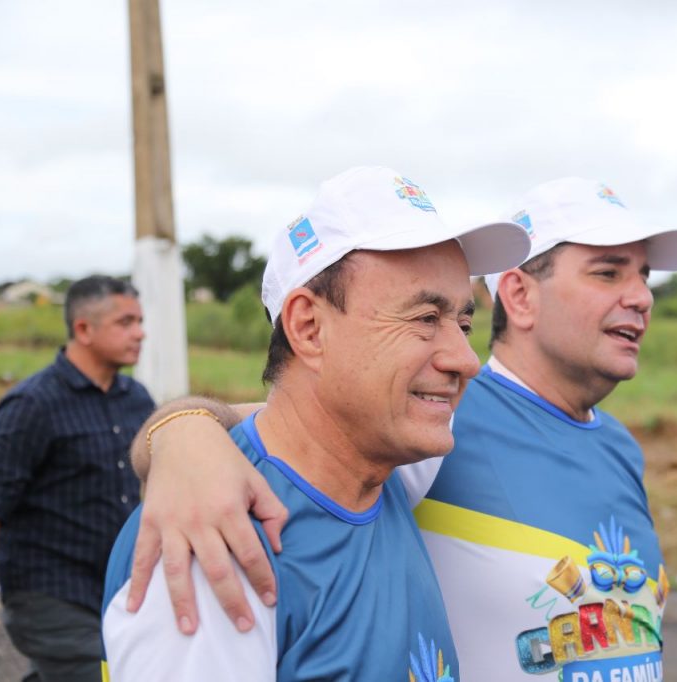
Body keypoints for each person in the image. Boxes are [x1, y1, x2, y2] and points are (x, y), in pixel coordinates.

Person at [126, 176, 677, 680]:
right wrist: (183, 431)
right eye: (608, 272)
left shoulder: (613, 445)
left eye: (462, 322)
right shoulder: (427, 431)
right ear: (520, 295)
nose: (642, 297)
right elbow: (283, 426)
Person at [100, 166, 531, 681]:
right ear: (308, 327)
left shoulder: (386, 469)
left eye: (463, 324)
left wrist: (182, 427)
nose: (466, 360)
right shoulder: (214, 547)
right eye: (424, 319)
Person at [0, 275, 154, 682]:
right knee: (105, 674)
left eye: (139, 320)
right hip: (49, 594)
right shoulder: (31, 406)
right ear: (83, 329)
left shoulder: (137, 399)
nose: (140, 333)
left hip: (116, 588)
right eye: (126, 322)